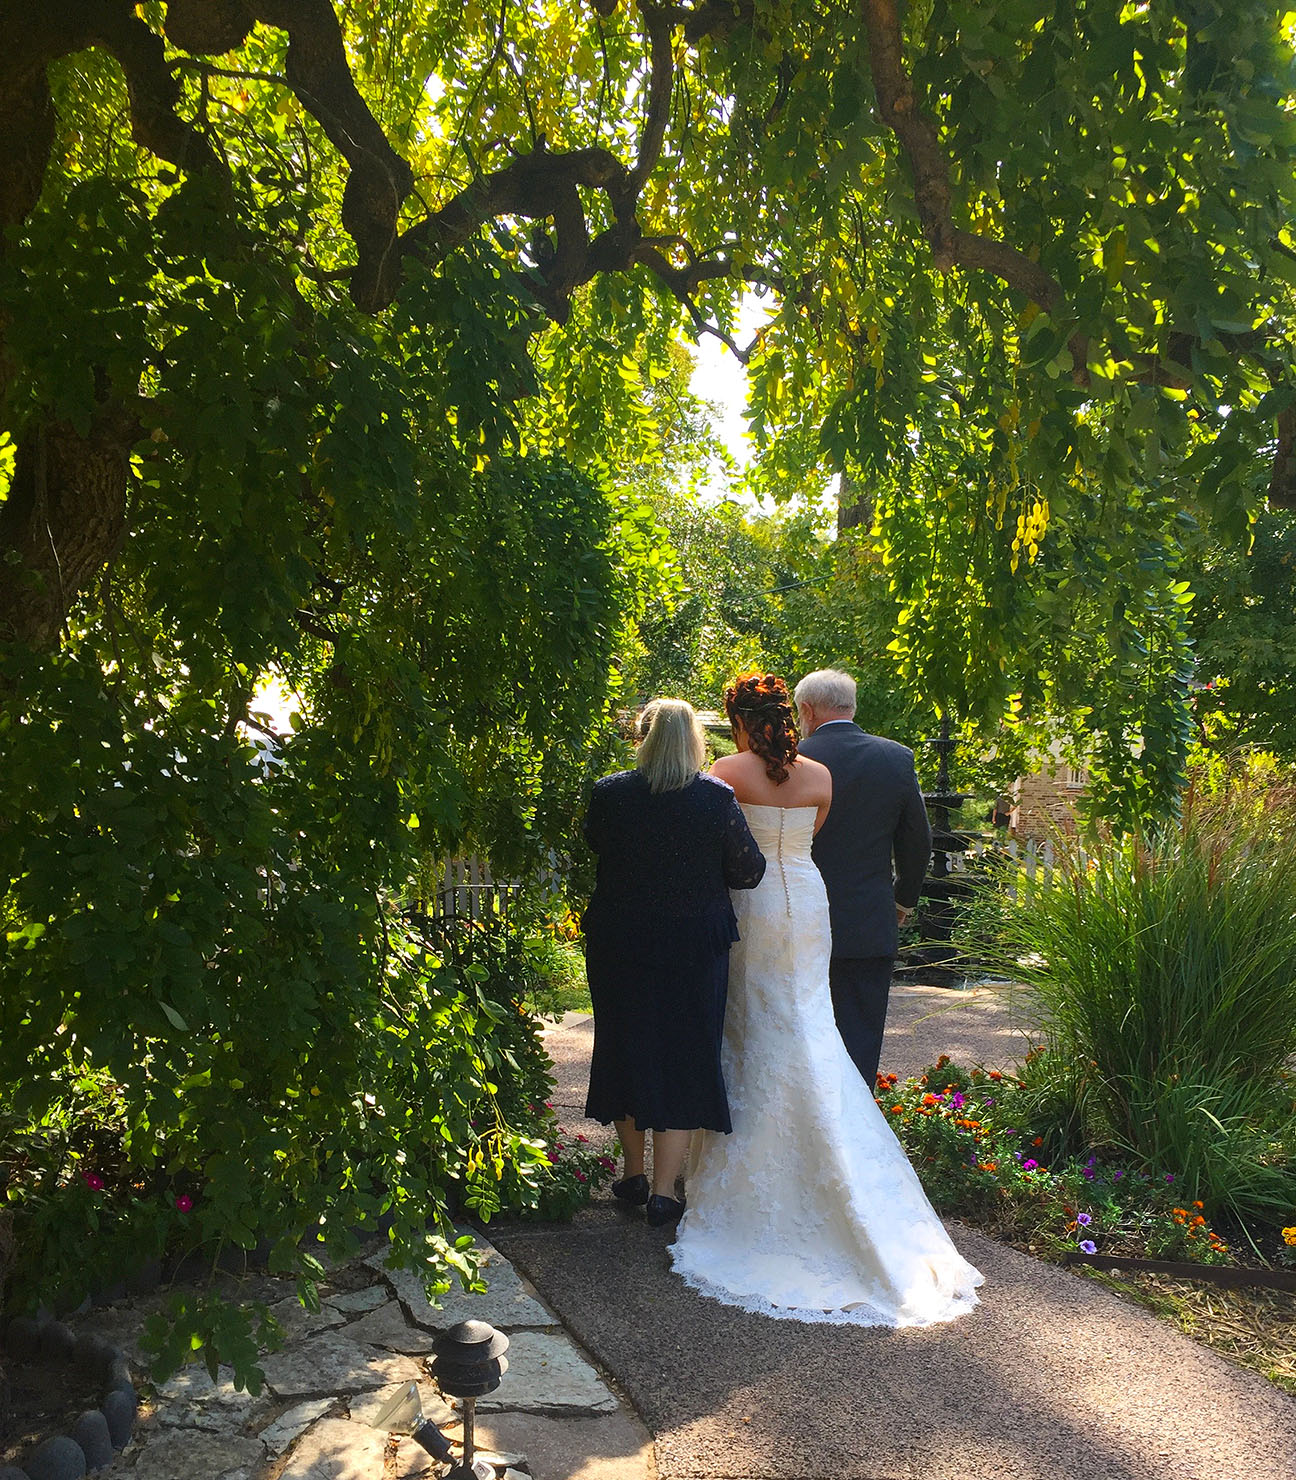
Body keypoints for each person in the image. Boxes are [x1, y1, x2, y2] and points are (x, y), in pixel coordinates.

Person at [670, 672, 982, 1325]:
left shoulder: (724, 772)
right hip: (808, 904)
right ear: (790, 715)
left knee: (752, 1025)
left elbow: (717, 847)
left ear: (738, 719)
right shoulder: (819, 779)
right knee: (809, 1025)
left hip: (751, 908)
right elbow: (809, 834)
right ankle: (839, 1160)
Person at [582, 698, 766, 1227]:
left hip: (621, 940)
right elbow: (748, 870)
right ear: (695, 741)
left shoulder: (610, 793)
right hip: (693, 943)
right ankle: (666, 1194)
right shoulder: (715, 798)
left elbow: (597, 844)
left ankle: (632, 1173)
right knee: (685, 1051)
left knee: (626, 1043)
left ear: (642, 737)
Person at [795, 668, 932, 1089]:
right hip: (869, 920)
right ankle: (856, 1137)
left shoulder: (790, 761)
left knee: (802, 1036)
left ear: (806, 710)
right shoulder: (895, 758)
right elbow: (917, 842)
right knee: (860, 1036)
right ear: (851, 707)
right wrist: (902, 901)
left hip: (797, 917)